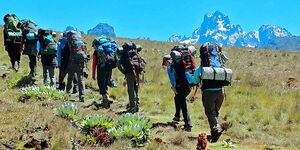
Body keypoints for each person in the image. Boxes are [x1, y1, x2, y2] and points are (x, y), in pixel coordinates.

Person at [185, 42, 230, 142]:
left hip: (208, 93)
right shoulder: (220, 67)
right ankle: (215, 132)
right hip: (221, 92)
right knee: (214, 112)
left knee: (210, 112)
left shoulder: (201, 69)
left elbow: (194, 81)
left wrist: (187, 75)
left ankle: (216, 130)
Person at [167, 46, 193, 132]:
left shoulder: (175, 64)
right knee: (177, 99)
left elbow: (174, 77)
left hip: (181, 86)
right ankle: (177, 116)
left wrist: (174, 87)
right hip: (189, 84)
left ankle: (188, 125)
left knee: (183, 104)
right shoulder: (185, 60)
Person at [117, 42, 144, 113]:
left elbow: (118, 64)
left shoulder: (124, 55)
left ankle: (132, 107)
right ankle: (137, 106)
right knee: (136, 90)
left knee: (131, 90)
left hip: (130, 74)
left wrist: (124, 72)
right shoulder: (136, 53)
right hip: (137, 73)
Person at [91, 36, 118, 108]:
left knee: (101, 84)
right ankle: (105, 99)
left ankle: (105, 99)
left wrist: (93, 75)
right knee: (106, 82)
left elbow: (94, 64)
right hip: (109, 68)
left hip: (101, 68)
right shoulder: (109, 51)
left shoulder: (96, 52)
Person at [65, 30, 88, 102]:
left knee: (70, 78)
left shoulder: (69, 43)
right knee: (81, 79)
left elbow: (67, 53)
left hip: (72, 62)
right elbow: (86, 54)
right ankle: (82, 96)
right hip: (81, 63)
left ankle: (68, 94)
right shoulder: (82, 43)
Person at [162, 55, 182, 122]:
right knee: (179, 100)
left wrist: (174, 88)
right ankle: (178, 116)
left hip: (178, 86)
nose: (165, 65)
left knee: (178, 100)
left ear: (167, 61)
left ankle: (178, 117)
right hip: (183, 85)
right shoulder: (176, 66)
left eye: (165, 63)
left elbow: (173, 79)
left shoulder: (169, 68)